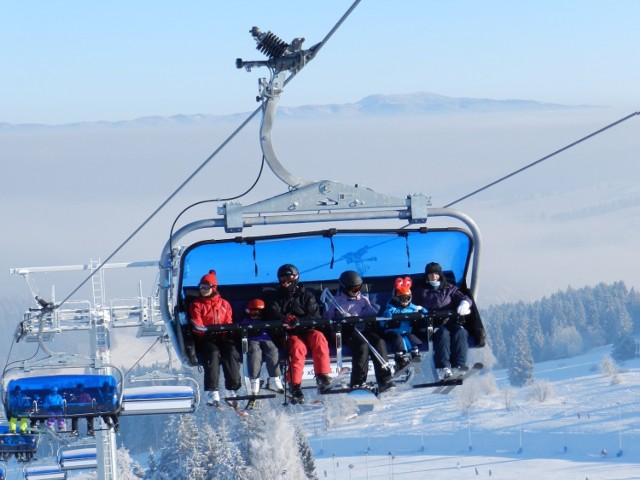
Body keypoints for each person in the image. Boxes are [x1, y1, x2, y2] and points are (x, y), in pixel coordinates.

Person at [265, 263, 332, 404]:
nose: (285, 283)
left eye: (289, 279)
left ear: (296, 277)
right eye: (282, 280)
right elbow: (273, 314)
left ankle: (322, 376)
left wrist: (300, 321)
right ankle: (294, 385)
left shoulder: (306, 295)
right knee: (296, 347)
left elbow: (315, 316)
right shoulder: (276, 297)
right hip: (290, 334)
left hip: (307, 330)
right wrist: (284, 320)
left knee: (319, 337)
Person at [323, 270, 395, 393]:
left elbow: (371, 313)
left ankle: (384, 379)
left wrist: (365, 319)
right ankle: (358, 382)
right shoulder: (335, 301)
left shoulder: (363, 299)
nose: (356, 291)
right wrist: (340, 320)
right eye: (353, 289)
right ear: (345, 288)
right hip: (346, 331)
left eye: (358, 288)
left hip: (362, 328)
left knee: (379, 341)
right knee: (362, 345)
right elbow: (327, 319)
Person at [189, 269, 241, 407]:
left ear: (213, 287)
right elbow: (196, 322)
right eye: (201, 287)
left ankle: (232, 389)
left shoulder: (224, 304)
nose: (203, 290)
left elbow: (228, 321)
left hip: (222, 337)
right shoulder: (197, 305)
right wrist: (204, 332)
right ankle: (212, 391)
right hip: (206, 339)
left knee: (230, 353)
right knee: (213, 354)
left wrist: (227, 332)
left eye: (206, 287)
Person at [413, 262, 473, 379]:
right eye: (431, 274)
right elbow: (412, 305)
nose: (433, 277)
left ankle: (459, 365)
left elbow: (463, 297)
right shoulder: (421, 291)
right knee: (442, 333)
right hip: (430, 325)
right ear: (427, 276)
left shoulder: (449, 289)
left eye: (436, 274)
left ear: (440, 275)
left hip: (449, 322)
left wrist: (464, 303)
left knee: (460, 332)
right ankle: (442, 367)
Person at [240, 298, 285, 408]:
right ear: (248, 312)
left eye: (259, 313)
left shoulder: (266, 321)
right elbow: (241, 329)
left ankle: (274, 379)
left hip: (266, 339)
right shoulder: (246, 321)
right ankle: (254, 381)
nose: (256, 316)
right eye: (253, 313)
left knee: (273, 350)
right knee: (255, 353)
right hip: (253, 340)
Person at [381, 277, 424, 372]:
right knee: (398, 339)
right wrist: (387, 318)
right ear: (396, 299)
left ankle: (415, 354)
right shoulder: (391, 309)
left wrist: (422, 312)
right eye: (402, 299)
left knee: (411, 338)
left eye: (407, 298)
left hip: (406, 331)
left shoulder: (412, 309)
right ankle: (400, 359)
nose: (405, 302)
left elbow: (420, 311)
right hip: (393, 332)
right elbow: (382, 322)